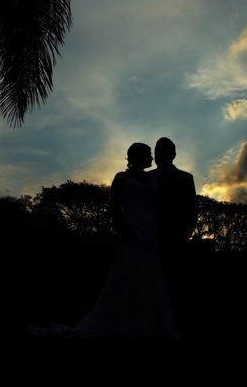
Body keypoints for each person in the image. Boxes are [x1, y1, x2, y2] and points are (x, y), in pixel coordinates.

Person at [28, 143, 178, 339]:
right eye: (148, 154)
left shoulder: (153, 178)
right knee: (129, 277)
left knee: (151, 279)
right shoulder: (122, 178)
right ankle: (126, 323)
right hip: (131, 232)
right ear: (137, 157)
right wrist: (124, 228)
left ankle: (150, 324)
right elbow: (114, 207)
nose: (151, 158)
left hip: (151, 233)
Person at [150, 137, 197, 336]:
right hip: (150, 240)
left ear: (174, 154)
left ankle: (177, 325)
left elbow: (192, 210)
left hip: (177, 240)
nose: (161, 155)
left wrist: (184, 235)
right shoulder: (147, 177)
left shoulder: (186, 178)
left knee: (177, 286)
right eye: (158, 151)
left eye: (165, 151)